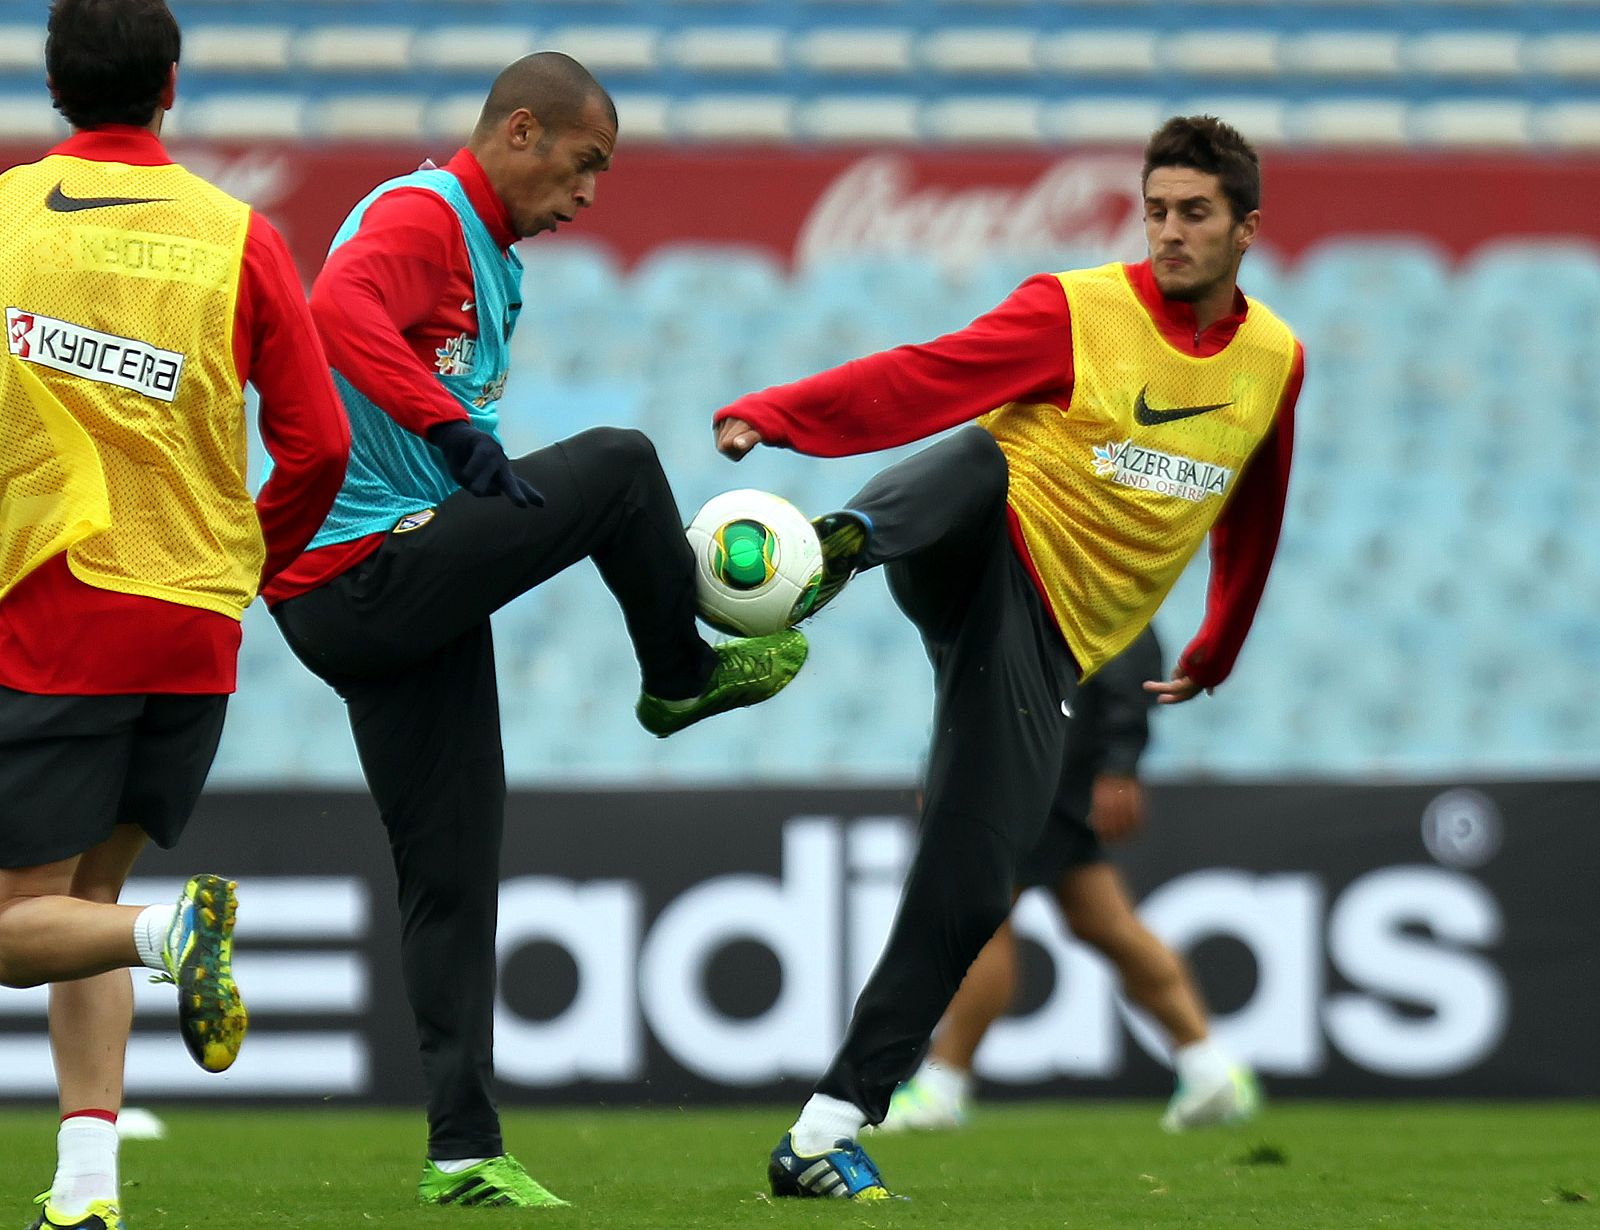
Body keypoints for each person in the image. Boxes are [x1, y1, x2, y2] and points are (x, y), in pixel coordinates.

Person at [714, 115, 1304, 1199]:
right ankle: (829, 551)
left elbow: (1255, 506)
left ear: (1245, 228)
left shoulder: (1273, 360)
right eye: (1156, 210)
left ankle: (822, 1130)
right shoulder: (1077, 309)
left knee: (972, 878)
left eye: (1195, 214)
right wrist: (778, 415)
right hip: (968, 546)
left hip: (1043, 639)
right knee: (984, 447)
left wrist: (1218, 641)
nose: (1169, 233)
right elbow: (922, 376)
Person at [264, 52, 808, 1210]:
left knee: (453, 873)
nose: (592, 192)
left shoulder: (493, 260)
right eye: (586, 162)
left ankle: (461, 1150)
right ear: (522, 132)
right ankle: (677, 675)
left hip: (401, 585)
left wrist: (447, 443)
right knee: (619, 464)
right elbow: (334, 311)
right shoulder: (425, 215)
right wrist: (451, 431)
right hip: (352, 574)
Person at [0, 2, 350, 1228]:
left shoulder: (3, 227)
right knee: (77, 913)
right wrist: (248, 563)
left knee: (19, 926)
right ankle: (86, 1186)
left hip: (59, 608)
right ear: (171, 86)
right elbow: (320, 442)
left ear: (50, 86)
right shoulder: (238, 236)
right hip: (196, 627)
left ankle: (174, 932)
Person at [878, 626, 1258, 1136]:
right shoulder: (1045, 578)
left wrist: (1120, 764)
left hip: (1022, 771)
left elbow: (1125, 644)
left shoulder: (1069, 570)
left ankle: (943, 1086)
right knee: (1101, 922)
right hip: (1041, 763)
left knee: (983, 920)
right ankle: (1207, 1065)